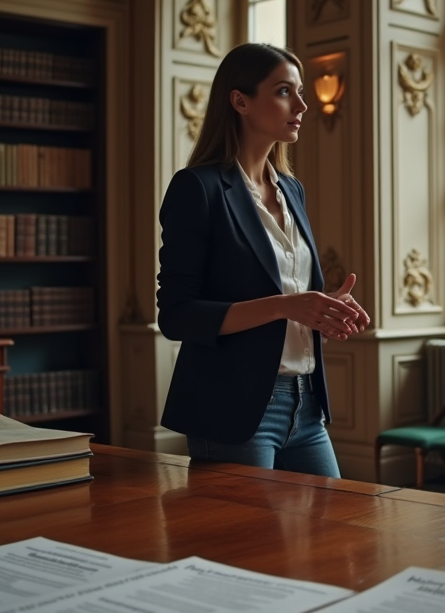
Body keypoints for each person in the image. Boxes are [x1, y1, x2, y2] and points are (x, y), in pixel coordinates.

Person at [157, 43, 369, 477]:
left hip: (306, 404)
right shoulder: (197, 188)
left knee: (335, 521)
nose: (302, 106)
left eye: (300, 92)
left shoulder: (292, 189)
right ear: (240, 101)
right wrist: (286, 306)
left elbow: (282, 291)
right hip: (235, 408)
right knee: (241, 528)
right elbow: (176, 316)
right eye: (284, 91)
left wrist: (323, 308)